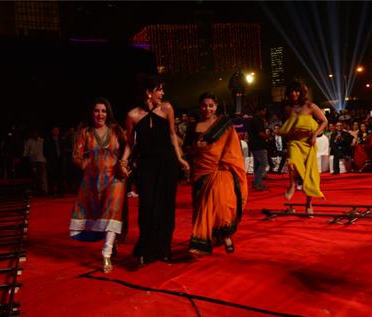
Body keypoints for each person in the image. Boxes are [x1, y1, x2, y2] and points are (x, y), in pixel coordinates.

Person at [120, 75, 189, 264]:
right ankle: (145, 249)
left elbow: (173, 135)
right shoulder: (132, 115)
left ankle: (164, 249)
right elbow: (129, 143)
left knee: (166, 208)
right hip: (146, 166)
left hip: (167, 164)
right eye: (159, 89)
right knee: (147, 207)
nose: (163, 93)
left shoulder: (167, 108)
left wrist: (180, 158)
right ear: (148, 92)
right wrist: (123, 161)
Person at [184, 92, 248, 256]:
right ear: (200, 107)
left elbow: (232, 148)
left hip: (220, 170)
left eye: (211, 105)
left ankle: (223, 236)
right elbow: (187, 150)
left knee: (221, 205)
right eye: (204, 105)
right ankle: (209, 237)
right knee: (201, 206)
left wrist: (224, 163)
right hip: (200, 172)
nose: (207, 109)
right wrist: (196, 148)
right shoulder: (193, 127)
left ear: (216, 106)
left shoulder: (224, 124)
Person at [69, 97, 128, 273]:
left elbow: (128, 149)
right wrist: (83, 163)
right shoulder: (85, 132)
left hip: (115, 178)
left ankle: (106, 254)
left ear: (108, 113)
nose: (100, 114)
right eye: (96, 110)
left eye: (103, 111)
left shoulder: (116, 130)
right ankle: (111, 243)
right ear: (91, 113)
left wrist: (124, 165)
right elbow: (76, 156)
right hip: (93, 182)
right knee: (99, 213)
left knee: (113, 212)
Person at [279, 81, 327, 214]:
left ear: (301, 92)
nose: (294, 94)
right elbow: (288, 126)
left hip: (308, 143)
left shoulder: (310, 106)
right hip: (294, 142)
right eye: (291, 91)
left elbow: (324, 121)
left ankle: (309, 203)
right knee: (292, 162)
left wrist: (315, 135)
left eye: (297, 91)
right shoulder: (288, 109)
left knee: (309, 174)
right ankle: (292, 185)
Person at [247, 106, 270, 190]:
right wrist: (268, 136)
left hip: (254, 145)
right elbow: (260, 133)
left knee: (257, 164)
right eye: (264, 111)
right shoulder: (257, 120)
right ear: (260, 111)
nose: (265, 113)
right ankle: (257, 183)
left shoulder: (252, 119)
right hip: (258, 144)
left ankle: (256, 183)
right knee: (263, 164)